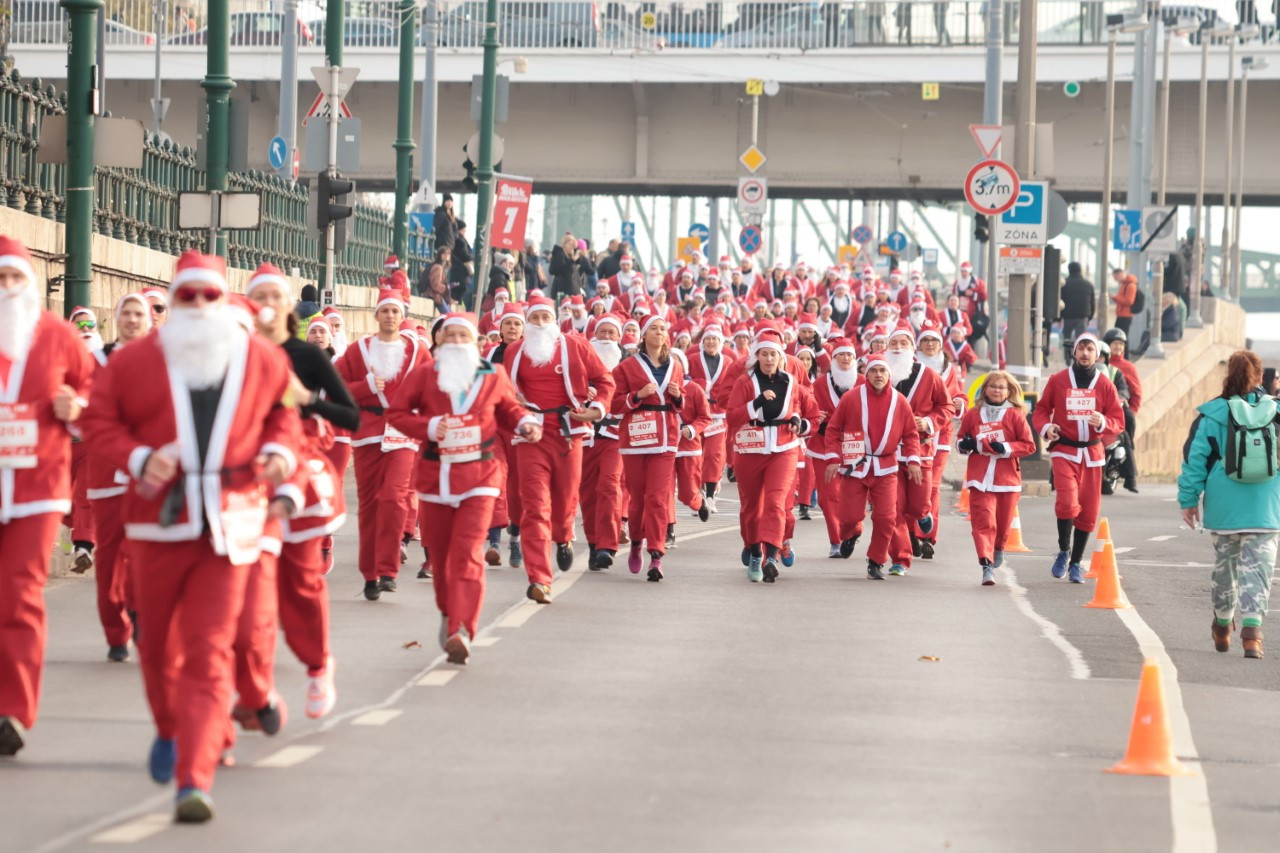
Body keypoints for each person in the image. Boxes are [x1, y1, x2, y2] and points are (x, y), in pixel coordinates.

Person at [81, 250, 300, 822]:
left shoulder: (259, 358)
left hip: (229, 524)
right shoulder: (134, 362)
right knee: (156, 647)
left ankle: (194, 779)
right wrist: (137, 456)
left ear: (224, 300)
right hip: (157, 524)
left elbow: (284, 416)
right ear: (171, 303)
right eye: (188, 296)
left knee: (207, 650)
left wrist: (278, 453)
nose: (200, 306)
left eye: (209, 296)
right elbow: (98, 422)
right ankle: (169, 728)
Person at [386, 313, 541, 664]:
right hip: (435, 477)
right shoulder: (424, 374)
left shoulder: (492, 375)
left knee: (469, 552)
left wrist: (527, 423)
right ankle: (448, 615)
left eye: (463, 336)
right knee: (441, 559)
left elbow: (510, 410)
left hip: (479, 478)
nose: (456, 342)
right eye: (449, 336)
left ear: (474, 343)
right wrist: (429, 426)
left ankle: (463, 629)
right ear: (438, 343)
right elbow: (396, 413)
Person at [245, 265, 358, 719]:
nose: (268, 304)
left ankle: (317, 665)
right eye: (260, 296)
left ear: (290, 306)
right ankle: (253, 694)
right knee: (247, 589)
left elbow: (350, 417)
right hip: (242, 473)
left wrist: (304, 399)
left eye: (277, 295)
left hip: (297, 474)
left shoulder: (308, 357)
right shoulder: (237, 352)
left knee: (299, 584)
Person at [0, 238, 94, 757]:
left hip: (36, 489)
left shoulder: (58, 336)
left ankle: (12, 710)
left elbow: (94, 393)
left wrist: (75, 404)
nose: (8, 289)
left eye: (16, 279)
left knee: (18, 594)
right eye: (0, 280)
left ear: (30, 284)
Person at [505, 296, 615, 603]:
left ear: (554, 320)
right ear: (527, 322)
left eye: (545, 317)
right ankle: (540, 578)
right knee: (535, 506)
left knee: (566, 497)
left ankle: (564, 535)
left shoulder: (575, 346)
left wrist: (597, 409)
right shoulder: (514, 352)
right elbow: (503, 393)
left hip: (568, 430)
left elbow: (604, 380)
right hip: (531, 435)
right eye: (535, 317)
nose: (540, 323)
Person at [1178, 350, 1280, 659]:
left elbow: (1194, 460)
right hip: (1266, 506)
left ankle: (1222, 626)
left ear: (1227, 376)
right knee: (1259, 571)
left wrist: (1189, 500)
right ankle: (1252, 634)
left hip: (1224, 506)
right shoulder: (1275, 412)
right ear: (1261, 378)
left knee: (1227, 569)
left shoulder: (1211, 415)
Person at [334, 287, 433, 601]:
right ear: (375, 315)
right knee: (370, 505)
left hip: (402, 434)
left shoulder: (418, 352)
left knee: (393, 497)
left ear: (402, 316)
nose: (390, 316)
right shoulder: (358, 351)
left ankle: (388, 570)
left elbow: (432, 387)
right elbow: (335, 388)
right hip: (367, 433)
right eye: (385, 311)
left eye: (395, 311)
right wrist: (364, 387)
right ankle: (369, 574)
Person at [86, 294, 152, 664]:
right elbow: (85, 409)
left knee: (144, 549)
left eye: (138, 313)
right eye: (125, 313)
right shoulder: (96, 361)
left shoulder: (163, 361)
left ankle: (141, 611)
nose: (131, 319)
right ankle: (115, 630)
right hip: (108, 473)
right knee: (110, 556)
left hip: (150, 475)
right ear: (116, 319)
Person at [1032, 333, 1126, 584]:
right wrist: (1046, 428)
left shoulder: (1106, 385)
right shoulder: (1059, 380)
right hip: (1065, 450)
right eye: (1081, 348)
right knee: (1067, 501)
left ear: (1097, 355)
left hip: (1093, 454)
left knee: (1089, 510)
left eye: (1090, 349)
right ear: (1074, 352)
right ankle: (1063, 551)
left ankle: (1076, 563)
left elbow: (1119, 420)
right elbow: (1041, 410)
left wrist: (1103, 421)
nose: (1085, 353)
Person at [725, 328, 815, 583]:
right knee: (752, 508)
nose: (768, 359)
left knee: (776, 503)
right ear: (756, 356)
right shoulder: (745, 382)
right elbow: (732, 417)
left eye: (773, 354)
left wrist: (801, 423)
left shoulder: (791, 382)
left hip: (784, 449)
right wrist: (756, 404)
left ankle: (772, 556)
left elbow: (809, 412)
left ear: (780, 357)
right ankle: (755, 552)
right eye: (763, 354)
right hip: (751, 450)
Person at [824, 354, 922, 581]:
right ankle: (852, 533)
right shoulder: (851, 398)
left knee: (886, 517)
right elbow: (833, 429)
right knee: (848, 516)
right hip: (855, 466)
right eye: (874, 371)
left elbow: (911, 435)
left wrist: (914, 460)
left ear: (889, 375)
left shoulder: (900, 401)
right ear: (866, 374)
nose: (878, 375)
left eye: (883, 371)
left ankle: (876, 560)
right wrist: (832, 458)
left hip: (886, 467)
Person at [613, 315, 684, 581]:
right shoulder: (627, 366)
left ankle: (656, 554)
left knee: (657, 497)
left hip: (666, 438)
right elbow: (613, 403)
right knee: (638, 497)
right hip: (637, 439)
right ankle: (636, 542)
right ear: (644, 335)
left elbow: (682, 402)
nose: (659, 332)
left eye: (663, 329)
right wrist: (636, 396)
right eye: (653, 328)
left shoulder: (675, 365)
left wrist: (678, 397)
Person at [956, 372, 1037, 586]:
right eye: (993, 386)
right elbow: (960, 439)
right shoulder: (973, 414)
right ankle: (986, 563)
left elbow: (1029, 445)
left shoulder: (1016, 415)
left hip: (1006, 479)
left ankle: (998, 547)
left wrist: (1007, 448)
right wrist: (964, 445)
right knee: (983, 521)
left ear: (1009, 391)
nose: (997, 390)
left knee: (1001, 526)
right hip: (979, 477)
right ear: (985, 389)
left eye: (1001, 387)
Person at [580, 315, 625, 570]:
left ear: (619, 337)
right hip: (585, 434)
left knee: (609, 484)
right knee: (587, 492)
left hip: (614, 435)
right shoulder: (580, 363)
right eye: (602, 333)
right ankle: (594, 544)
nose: (607, 337)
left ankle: (608, 545)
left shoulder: (628, 363)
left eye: (612, 333)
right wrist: (580, 391)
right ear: (594, 336)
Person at [1102, 327, 1142, 493]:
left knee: (1128, 423)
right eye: (1114, 344)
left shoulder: (1126, 368)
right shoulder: (1095, 366)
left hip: (1118, 408)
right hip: (1097, 409)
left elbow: (1133, 391)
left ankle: (1129, 472)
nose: (1117, 347)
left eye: (1120, 344)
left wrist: (1128, 407)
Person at [1060, 261, 1095, 360]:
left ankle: (1067, 356)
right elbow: (1092, 303)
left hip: (1068, 317)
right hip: (1082, 317)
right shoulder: (1088, 284)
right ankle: (1078, 358)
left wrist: (1059, 317)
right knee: (1080, 339)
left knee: (1067, 338)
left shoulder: (1064, 284)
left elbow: (1060, 300)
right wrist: (1090, 317)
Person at [1110, 268, 1138, 336]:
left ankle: (1125, 347)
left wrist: (1115, 297)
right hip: (1121, 314)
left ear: (1120, 274)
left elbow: (1129, 301)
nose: (1115, 279)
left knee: (1122, 336)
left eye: (1115, 277)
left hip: (1126, 315)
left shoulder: (1131, 285)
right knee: (1118, 336)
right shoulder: (1123, 284)